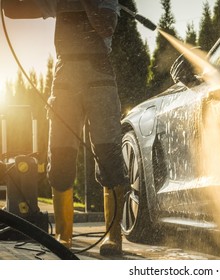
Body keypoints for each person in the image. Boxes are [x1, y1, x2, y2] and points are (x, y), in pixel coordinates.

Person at [3, 0, 128, 256]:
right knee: (59, 155)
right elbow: (12, 10)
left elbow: (105, 26)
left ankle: (113, 238)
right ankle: (63, 236)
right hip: (64, 77)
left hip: (100, 78)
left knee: (109, 154)